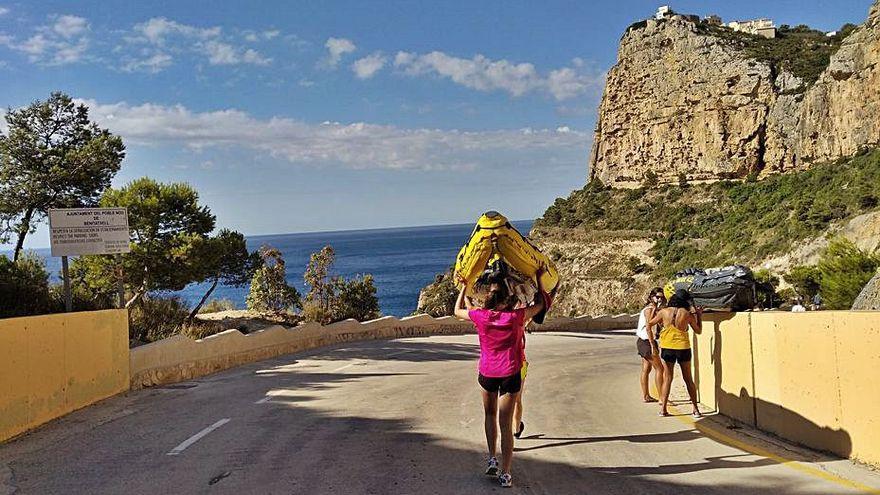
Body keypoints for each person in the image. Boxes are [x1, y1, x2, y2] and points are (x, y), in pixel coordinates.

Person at [455, 268, 545, 488]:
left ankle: (491, 458)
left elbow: (459, 309)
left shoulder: (481, 316)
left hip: (487, 373)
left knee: (489, 415)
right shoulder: (516, 317)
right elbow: (540, 305)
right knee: (506, 425)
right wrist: (539, 280)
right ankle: (506, 473)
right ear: (508, 299)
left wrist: (464, 286)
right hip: (510, 374)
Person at [648, 289, 702, 418]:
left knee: (668, 378)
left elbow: (649, 324)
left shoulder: (664, 312)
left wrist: (654, 311)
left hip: (667, 348)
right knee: (688, 379)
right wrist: (699, 315)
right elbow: (698, 331)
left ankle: (663, 409)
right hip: (683, 347)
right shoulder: (687, 314)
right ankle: (695, 409)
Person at [636, 287, 666, 402]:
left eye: (661, 297)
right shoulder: (649, 310)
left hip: (642, 341)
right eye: (657, 297)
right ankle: (662, 397)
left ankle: (646, 396)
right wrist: (653, 345)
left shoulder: (653, 309)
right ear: (651, 297)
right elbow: (649, 328)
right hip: (647, 341)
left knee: (646, 369)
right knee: (660, 368)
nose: (659, 299)